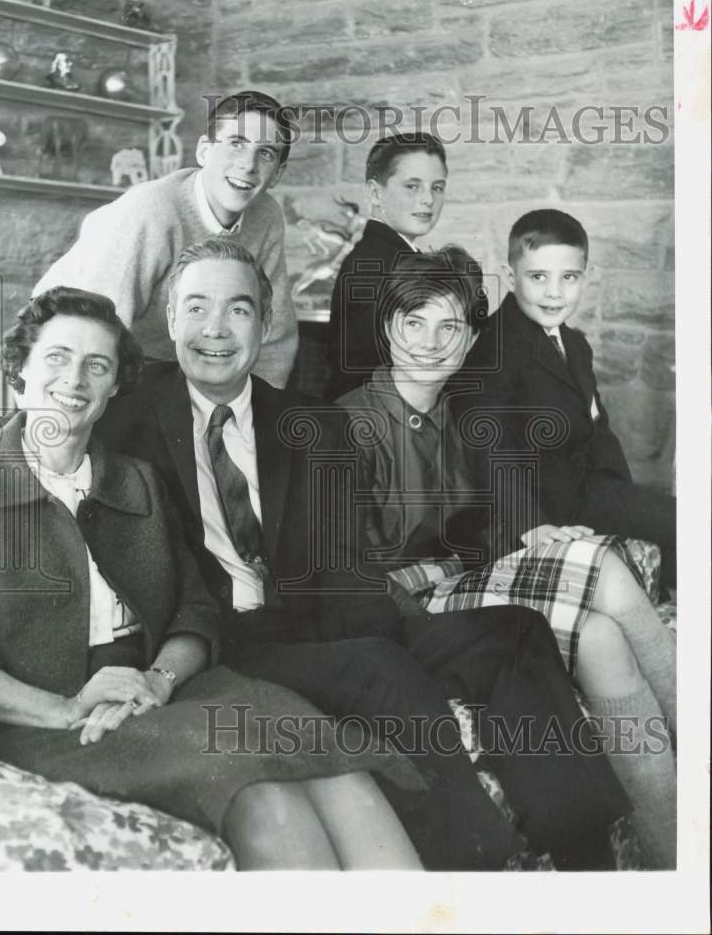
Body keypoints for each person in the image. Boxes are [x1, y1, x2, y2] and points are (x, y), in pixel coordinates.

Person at [95, 236, 634, 871]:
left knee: (512, 630)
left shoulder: (308, 423)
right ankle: (473, 860)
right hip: (229, 636)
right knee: (377, 664)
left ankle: (583, 849)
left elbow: (342, 556)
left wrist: (403, 621)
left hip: (326, 617)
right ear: (169, 318)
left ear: (264, 324)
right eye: (196, 308)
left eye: (238, 309)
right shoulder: (122, 421)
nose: (216, 329)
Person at [0, 286, 426, 871]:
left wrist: (158, 679)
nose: (74, 379)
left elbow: (194, 611)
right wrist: (64, 707)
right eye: (56, 357)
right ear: (19, 370)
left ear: (112, 389)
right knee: (262, 796)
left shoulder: (137, 481)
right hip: (49, 718)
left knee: (343, 771)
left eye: (96, 365)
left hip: (165, 692)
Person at [336, 247, 677, 868]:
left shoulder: (460, 415)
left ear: (470, 340)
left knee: (601, 635)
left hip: (466, 585)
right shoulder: (349, 426)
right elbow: (348, 582)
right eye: (414, 323)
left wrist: (526, 538)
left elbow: (482, 522)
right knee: (598, 566)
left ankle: (669, 855)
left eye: (450, 328)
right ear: (388, 328)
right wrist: (463, 563)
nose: (431, 344)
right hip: (405, 614)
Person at [459, 208, 676, 587]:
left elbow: (598, 427)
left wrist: (621, 492)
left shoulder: (574, 345)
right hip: (537, 506)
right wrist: (532, 524)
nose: (554, 292)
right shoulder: (494, 348)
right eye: (538, 277)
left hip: (589, 492)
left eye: (569, 277)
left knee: (679, 524)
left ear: (586, 278)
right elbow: (487, 444)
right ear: (511, 277)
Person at [32, 90, 299, 388]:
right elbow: (99, 328)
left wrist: (260, 410)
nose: (248, 165)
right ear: (204, 151)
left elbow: (274, 331)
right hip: (63, 348)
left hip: (160, 363)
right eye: (236, 144)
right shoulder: (152, 211)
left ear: (277, 174)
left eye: (265, 153)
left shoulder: (267, 216)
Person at [325, 132, 448, 400]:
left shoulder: (389, 256)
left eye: (437, 187)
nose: (428, 199)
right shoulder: (377, 265)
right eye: (412, 186)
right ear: (374, 193)